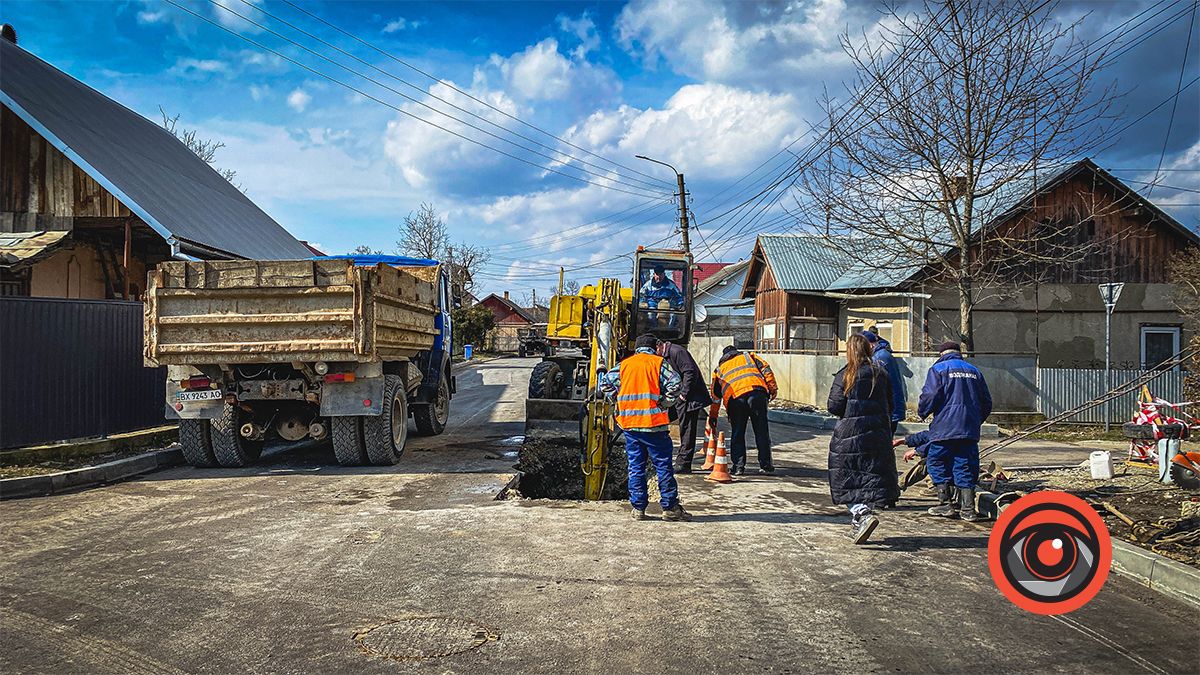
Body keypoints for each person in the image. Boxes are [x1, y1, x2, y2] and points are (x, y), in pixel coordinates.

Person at [599, 333, 691, 521]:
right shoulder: (658, 364)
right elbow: (675, 384)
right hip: (654, 426)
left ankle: (638, 509)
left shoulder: (624, 365)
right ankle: (670, 508)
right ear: (654, 347)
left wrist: (618, 400)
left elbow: (604, 383)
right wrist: (664, 403)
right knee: (663, 466)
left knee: (636, 467)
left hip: (631, 427)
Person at [827, 333, 900, 544]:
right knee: (870, 473)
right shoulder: (881, 373)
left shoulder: (845, 374)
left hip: (850, 432)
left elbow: (834, 405)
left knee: (844, 475)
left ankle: (861, 513)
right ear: (869, 349)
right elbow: (890, 404)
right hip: (877, 432)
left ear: (849, 350)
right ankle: (862, 515)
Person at [918, 340, 993, 523]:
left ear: (941, 354)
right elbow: (986, 402)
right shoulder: (975, 371)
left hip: (944, 428)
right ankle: (967, 509)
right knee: (964, 464)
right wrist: (974, 421)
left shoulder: (939, 369)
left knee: (936, 461)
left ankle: (945, 504)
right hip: (968, 429)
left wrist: (923, 411)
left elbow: (930, 395)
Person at [708, 345, 777, 475]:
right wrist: (772, 389)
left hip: (736, 400)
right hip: (757, 394)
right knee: (762, 431)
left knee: (738, 433)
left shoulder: (719, 370)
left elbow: (716, 396)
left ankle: (738, 467)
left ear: (723, 357)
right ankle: (766, 465)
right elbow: (766, 369)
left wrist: (713, 416)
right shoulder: (749, 356)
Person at [655, 339, 714, 473]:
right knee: (663, 420)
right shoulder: (667, 355)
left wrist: (683, 394)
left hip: (690, 398)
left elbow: (690, 372)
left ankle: (684, 463)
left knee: (687, 429)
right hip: (679, 397)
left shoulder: (677, 352)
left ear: (659, 346)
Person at [861, 331, 907, 434]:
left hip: (887, 409)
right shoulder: (882, 355)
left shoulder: (878, 359)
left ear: (870, 344)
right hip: (889, 408)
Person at [639, 265, 684, 330]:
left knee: (673, 314)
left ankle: (669, 331)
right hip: (653, 305)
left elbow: (678, 295)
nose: (659, 277)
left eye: (661, 274)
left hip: (668, 306)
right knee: (650, 314)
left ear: (664, 274)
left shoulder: (671, 285)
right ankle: (654, 330)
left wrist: (680, 303)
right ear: (654, 274)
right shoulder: (648, 285)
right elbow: (641, 295)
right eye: (657, 274)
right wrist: (642, 303)